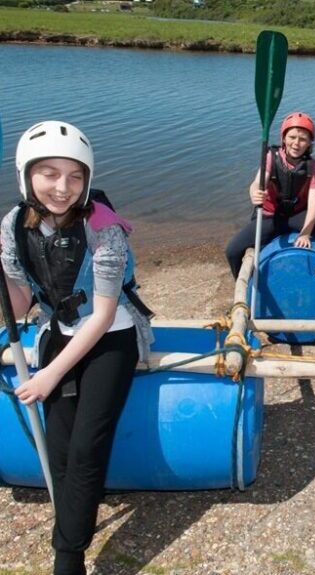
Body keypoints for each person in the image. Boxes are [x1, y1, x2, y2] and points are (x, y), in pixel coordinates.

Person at [1, 121, 153, 575]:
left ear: (87, 179)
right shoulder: (13, 225)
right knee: (62, 450)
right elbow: (22, 301)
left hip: (111, 338)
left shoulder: (104, 228)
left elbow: (103, 315)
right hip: (59, 332)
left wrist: (48, 376)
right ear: (26, 175)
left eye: (74, 176)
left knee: (87, 447)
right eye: (48, 173)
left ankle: (68, 555)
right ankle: (77, 514)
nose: (62, 187)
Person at [225, 111, 315, 279]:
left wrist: (305, 232)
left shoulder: (313, 167)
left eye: (302, 139)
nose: (296, 143)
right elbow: (257, 182)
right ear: (283, 138)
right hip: (270, 216)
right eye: (292, 137)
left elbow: (314, 203)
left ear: (310, 143)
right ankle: (247, 285)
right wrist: (254, 193)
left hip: (298, 215)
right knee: (232, 250)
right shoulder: (270, 157)